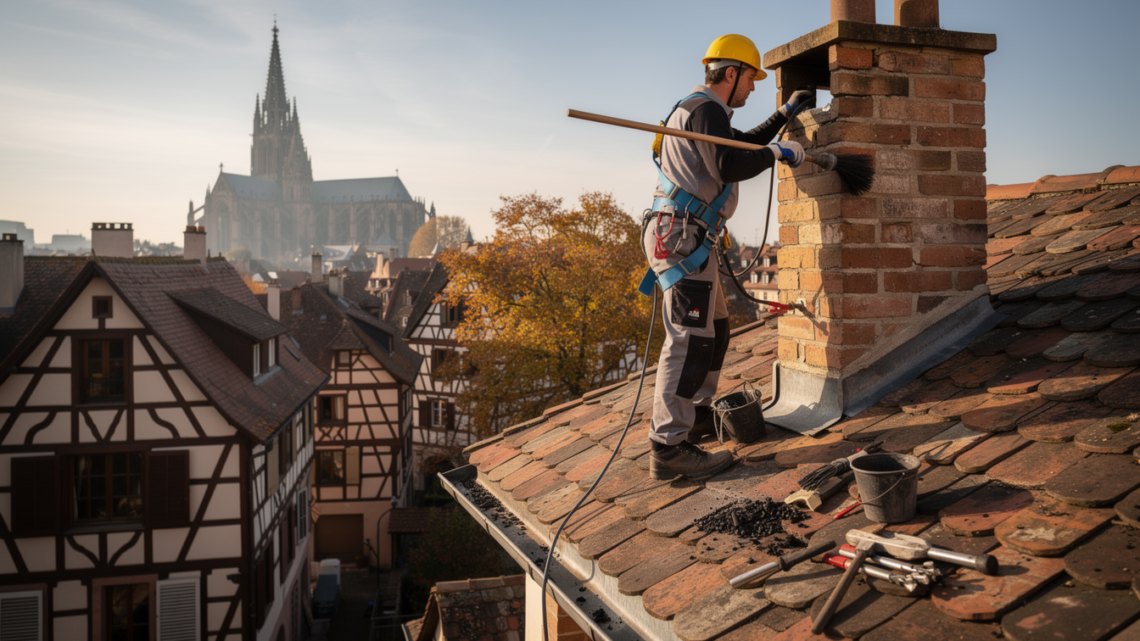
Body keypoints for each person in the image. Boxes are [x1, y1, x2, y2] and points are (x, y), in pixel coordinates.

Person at [644, 34, 812, 480]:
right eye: (751, 79)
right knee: (689, 339)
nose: (754, 88)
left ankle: (695, 418)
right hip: (682, 236)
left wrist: (784, 116)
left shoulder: (702, 111)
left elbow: (741, 144)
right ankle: (668, 447)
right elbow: (730, 164)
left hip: (684, 233)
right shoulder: (706, 109)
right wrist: (777, 153)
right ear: (732, 73)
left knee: (715, 329)